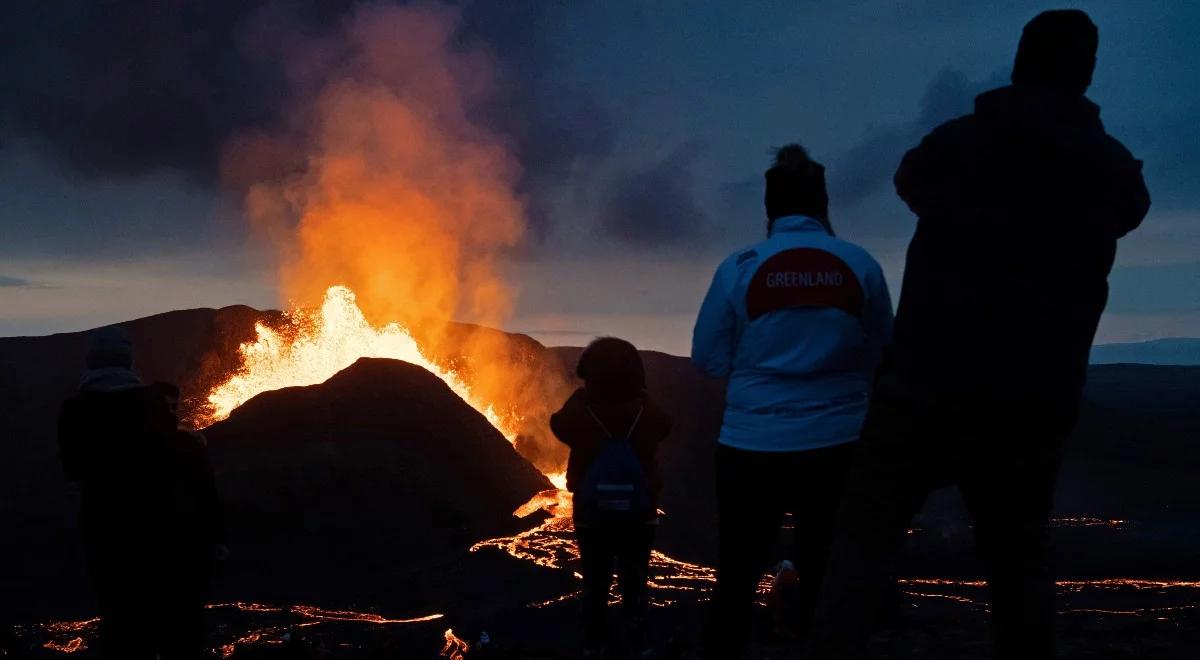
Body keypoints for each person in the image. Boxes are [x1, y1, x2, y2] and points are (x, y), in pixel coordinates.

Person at [804, 10, 1150, 660]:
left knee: (863, 535)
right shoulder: (1107, 170)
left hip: (923, 382)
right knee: (1017, 561)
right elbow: (1130, 210)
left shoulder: (958, 145)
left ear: (1020, 62)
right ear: (1086, 71)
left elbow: (909, 180)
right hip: (1031, 398)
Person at [691, 144, 894, 658]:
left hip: (751, 443)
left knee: (737, 571)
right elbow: (881, 353)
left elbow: (709, 358)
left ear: (769, 208)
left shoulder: (739, 266)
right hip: (838, 442)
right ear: (823, 205)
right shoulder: (860, 264)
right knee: (826, 569)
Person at [59, 326, 225, 659]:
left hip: (107, 542)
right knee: (178, 634)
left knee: (124, 631)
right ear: (128, 361)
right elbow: (199, 489)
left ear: (91, 362)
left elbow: (73, 468)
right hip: (167, 542)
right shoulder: (155, 411)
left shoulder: (76, 414)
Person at [550, 337, 672, 658]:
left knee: (595, 580)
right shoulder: (645, 411)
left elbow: (559, 427)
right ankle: (637, 643)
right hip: (639, 511)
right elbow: (665, 426)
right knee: (635, 579)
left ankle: (594, 645)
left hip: (593, 513)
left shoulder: (583, 409)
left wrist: (581, 398)